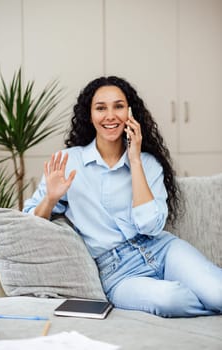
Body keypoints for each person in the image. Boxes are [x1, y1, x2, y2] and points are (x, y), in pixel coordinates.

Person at [23, 76, 222, 318]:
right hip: (117, 272)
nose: (110, 115)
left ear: (130, 112)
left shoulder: (147, 163)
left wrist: (135, 160)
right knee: (171, 300)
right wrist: (51, 199)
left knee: (217, 293)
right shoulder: (69, 161)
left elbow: (150, 225)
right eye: (100, 108)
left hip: (162, 250)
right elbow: (30, 223)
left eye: (118, 106)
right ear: (89, 115)